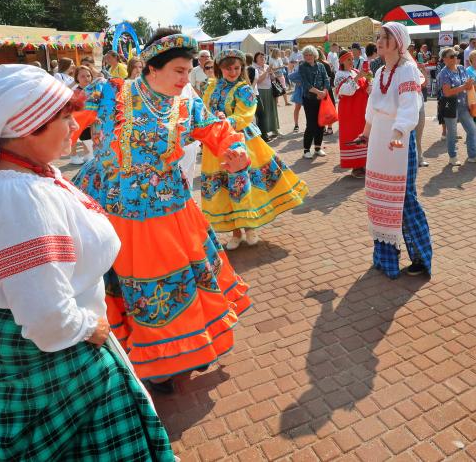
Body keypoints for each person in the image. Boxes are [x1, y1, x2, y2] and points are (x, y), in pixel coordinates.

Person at [0, 65, 175, 461]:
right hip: (48, 350)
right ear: (28, 127)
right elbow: (46, 317)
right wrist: (88, 326)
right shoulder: (20, 195)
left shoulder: (18, 173)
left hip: (24, 342)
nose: (75, 125)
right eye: (65, 117)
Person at [71, 30, 252, 391]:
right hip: (115, 209)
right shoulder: (112, 93)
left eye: (188, 71)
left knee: (174, 282)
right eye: (180, 71)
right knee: (130, 285)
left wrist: (236, 151)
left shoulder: (185, 104)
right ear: (152, 68)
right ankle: (152, 357)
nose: (187, 79)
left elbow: (219, 131)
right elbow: (65, 119)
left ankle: (176, 354)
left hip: (169, 208)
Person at [201, 49, 308, 249]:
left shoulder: (244, 89)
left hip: (241, 140)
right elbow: (203, 109)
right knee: (223, 186)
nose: (232, 72)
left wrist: (227, 120)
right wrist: (209, 120)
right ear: (219, 68)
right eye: (227, 68)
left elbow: (246, 115)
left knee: (244, 184)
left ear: (241, 68)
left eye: (236, 68)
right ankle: (235, 232)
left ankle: (250, 227)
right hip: (216, 142)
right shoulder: (211, 86)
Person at [353, 22, 433, 279]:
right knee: (379, 196)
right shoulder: (379, 73)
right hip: (379, 141)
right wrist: (365, 134)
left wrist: (398, 134)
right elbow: (372, 108)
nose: (379, 40)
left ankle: (421, 258)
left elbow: (410, 107)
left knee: (405, 198)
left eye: (385, 36)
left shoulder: (408, 70)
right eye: (378, 36)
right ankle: (384, 257)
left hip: (398, 141)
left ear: (398, 42)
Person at [437, 48, 476, 165]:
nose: (455, 57)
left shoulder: (460, 68)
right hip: (451, 106)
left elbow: (467, 82)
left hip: (463, 105)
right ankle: (453, 157)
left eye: (455, 55)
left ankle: (473, 155)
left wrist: (470, 83)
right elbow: (447, 92)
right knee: (452, 133)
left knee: (472, 130)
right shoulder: (444, 73)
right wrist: (465, 86)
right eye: (451, 56)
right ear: (444, 59)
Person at [335, 50, 371, 178]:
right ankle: (356, 166)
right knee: (352, 134)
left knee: (363, 134)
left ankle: (363, 164)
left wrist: (369, 79)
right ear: (341, 62)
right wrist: (359, 76)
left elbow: (367, 88)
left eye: (351, 59)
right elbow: (347, 91)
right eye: (348, 60)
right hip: (349, 112)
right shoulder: (339, 75)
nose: (351, 62)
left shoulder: (356, 72)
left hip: (361, 110)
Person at [298, 45, 331, 158]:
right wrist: (318, 92)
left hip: (321, 98)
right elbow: (306, 84)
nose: (308, 57)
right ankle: (306, 150)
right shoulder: (302, 67)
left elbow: (326, 79)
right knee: (311, 124)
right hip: (309, 99)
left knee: (320, 124)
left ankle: (318, 147)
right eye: (306, 55)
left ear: (314, 55)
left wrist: (324, 92)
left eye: (310, 54)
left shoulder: (321, 65)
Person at [69, 64, 98, 164]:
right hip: (78, 120)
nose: (86, 78)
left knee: (88, 136)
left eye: (88, 76)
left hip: (89, 120)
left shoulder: (94, 90)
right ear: (77, 78)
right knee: (76, 136)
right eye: (82, 76)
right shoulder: (75, 92)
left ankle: (87, 155)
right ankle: (73, 155)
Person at [252, 52, 280, 139]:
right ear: (256, 59)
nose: (262, 59)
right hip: (260, 91)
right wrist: (266, 72)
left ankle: (274, 129)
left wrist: (271, 73)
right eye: (260, 57)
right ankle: (265, 131)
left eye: (264, 57)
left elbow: (273, 79)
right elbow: (259, 80)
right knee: (263, 113)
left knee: (272, 111)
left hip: (269, 90)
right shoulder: (254, 68)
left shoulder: (267, 66)